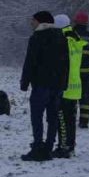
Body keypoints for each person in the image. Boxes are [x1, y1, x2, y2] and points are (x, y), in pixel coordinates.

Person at [20, 11, 69, 162]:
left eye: (33, 20)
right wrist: (64, 83)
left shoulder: (37, 37)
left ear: (41, 22)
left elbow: (30, 61)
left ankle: (37, 147)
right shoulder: (61, 37)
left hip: (41, 84)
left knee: (37, 116)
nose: (31, 23)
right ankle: (48, 147)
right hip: (57, 85)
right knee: (52, 117)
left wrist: (24, 82)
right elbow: (66, 63)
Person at [55, 16, 88, 158]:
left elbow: (62, 65)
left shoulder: (63, 40)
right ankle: (70, 146)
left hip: (64, 86)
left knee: (61, 118)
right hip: (75, 86)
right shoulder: (75, 38)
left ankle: (63, 147)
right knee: (70, 120)